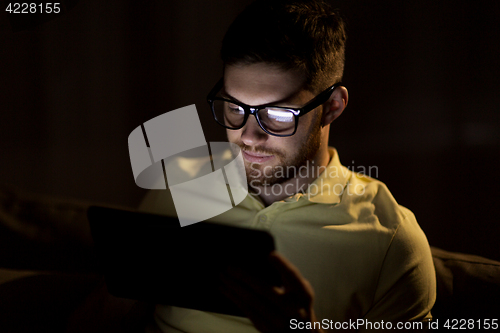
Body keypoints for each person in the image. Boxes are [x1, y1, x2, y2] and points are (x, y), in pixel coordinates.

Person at [139, 0, 436, 332]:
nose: (248, 136)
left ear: (332, 107)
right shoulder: (178, 185)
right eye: (234, 108)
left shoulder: (391, 240)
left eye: (278, 115)